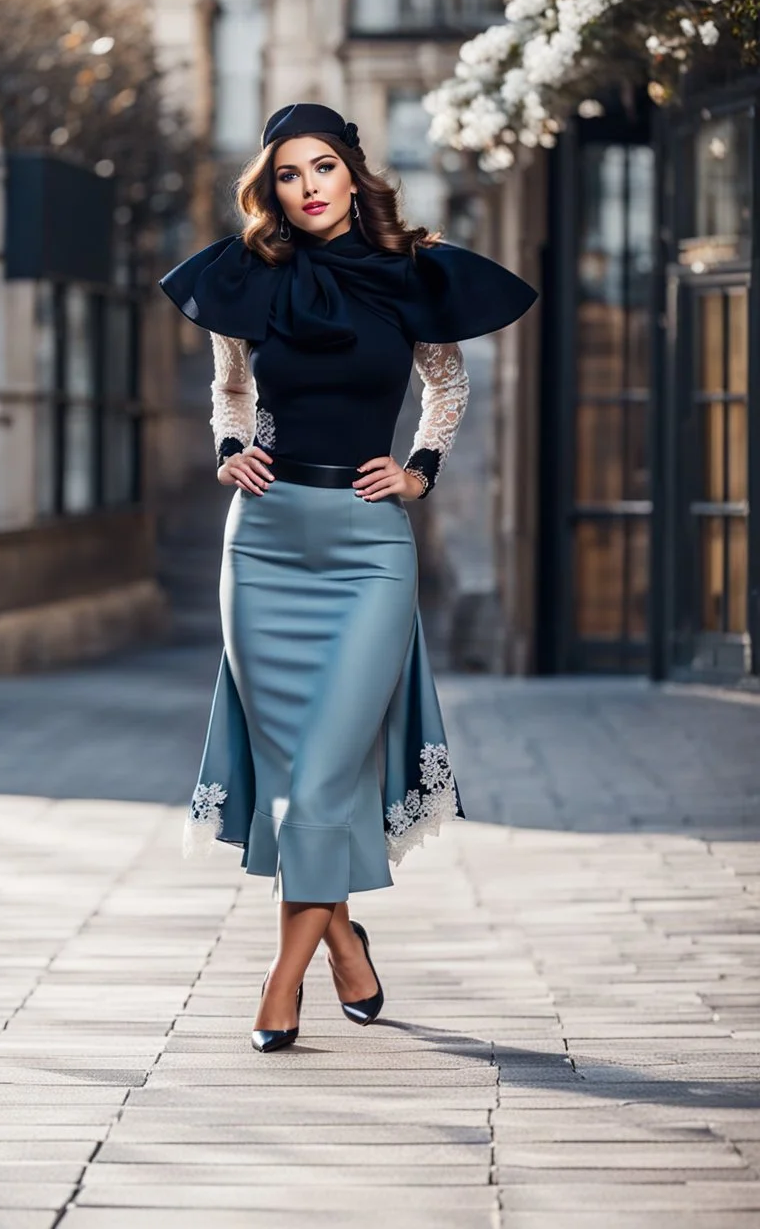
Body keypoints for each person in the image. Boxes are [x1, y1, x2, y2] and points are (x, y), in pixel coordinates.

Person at [159, 102, 537, 1053]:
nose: (308, 187)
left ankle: (282, 979)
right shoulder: (245, 277)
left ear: (353, 174)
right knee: (296, 770)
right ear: (272, 190)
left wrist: (421, 469)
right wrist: (231, 445)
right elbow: (232, 383)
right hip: (265, 542)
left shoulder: (411, 273)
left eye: (323, 167)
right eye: (289, 175)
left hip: (370, 545)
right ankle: (341, 945)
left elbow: (445, 383)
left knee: (326, 764)